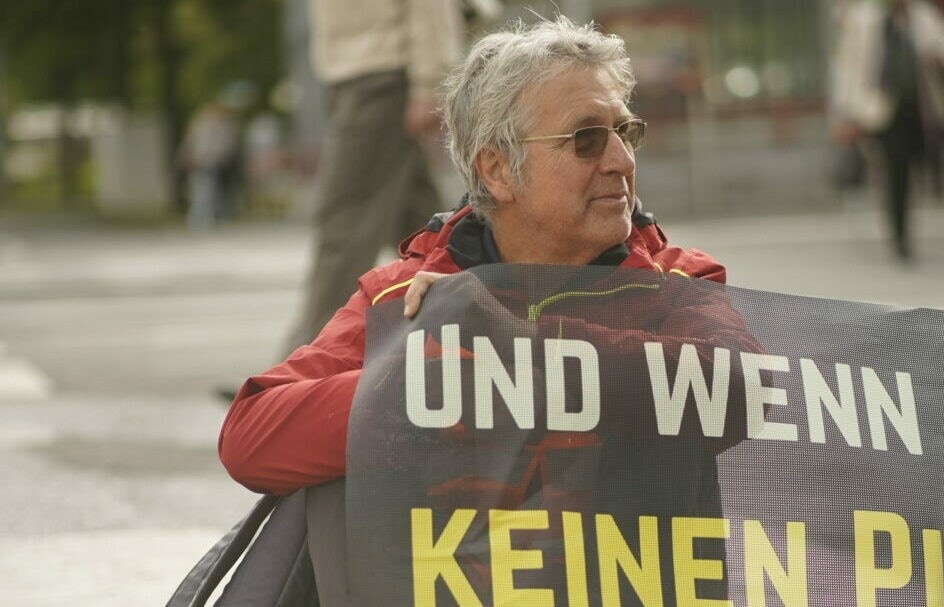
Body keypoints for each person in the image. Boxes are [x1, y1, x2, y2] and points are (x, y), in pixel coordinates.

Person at [220, 16, 759, 604]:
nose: (621, 161)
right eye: (586, 139)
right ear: (497, 170)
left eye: (625, 132)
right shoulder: (407, 291)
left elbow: (742, 391)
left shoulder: (679, 278)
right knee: (321, 482)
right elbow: (250, 436)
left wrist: (511, 348)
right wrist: (419, 380)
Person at [281, 0, 465, 353]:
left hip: (382, 75)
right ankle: (494, 312)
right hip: (360, 73)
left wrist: (429, 80)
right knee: (426, 229)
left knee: (343, 224)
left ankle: (307, 361)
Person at [830, 0, 944, 260]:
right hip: (882, 110)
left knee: (918, 167)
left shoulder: (924, 17)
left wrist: (941, 57)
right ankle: (900, 235)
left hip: (921, 111)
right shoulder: (863, 19)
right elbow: (847, 69)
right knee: (896, 172)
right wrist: (845, 115)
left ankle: (928, 195)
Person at [179, 99, 243, 230]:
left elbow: (225, 146)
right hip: (202, 162)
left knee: (208, 189)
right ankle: (199, 218)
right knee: (202, 190)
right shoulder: (201, 126)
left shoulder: (219, 126)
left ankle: (206, 217)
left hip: (211, 162)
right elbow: (190, 145)